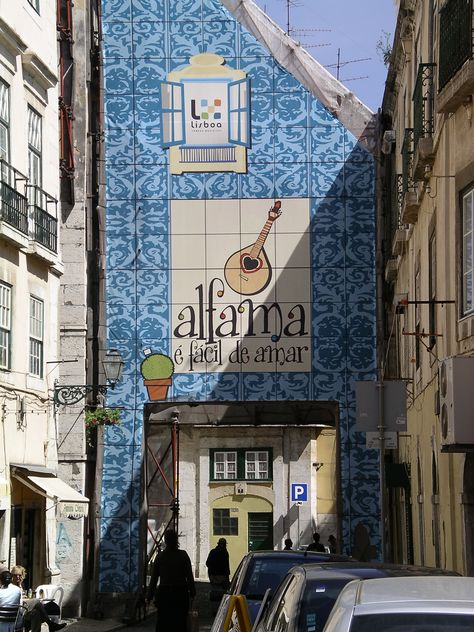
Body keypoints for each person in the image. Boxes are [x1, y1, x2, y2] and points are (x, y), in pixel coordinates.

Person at [146, 529, 195, 632]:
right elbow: (189, 577)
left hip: (164, 595)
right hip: (180, 594)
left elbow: (154, 579)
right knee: (180, 623)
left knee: (163, 623)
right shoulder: (183, 555)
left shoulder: (160, 557)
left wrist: (149, 596)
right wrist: (192, 593)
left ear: (166, 541)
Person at [10, 567, 65, 632]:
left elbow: (23, 597)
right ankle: (51, 624)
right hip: (18, 613)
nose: (18, 577)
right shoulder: (11, 586)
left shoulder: (20, 585)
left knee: (36, 613)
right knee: (37, 602)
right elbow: (18, 600)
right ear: (12, 576)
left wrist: (20, 586)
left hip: (24, 611)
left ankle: (51, 625)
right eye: (16, 575)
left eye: (20, 575)